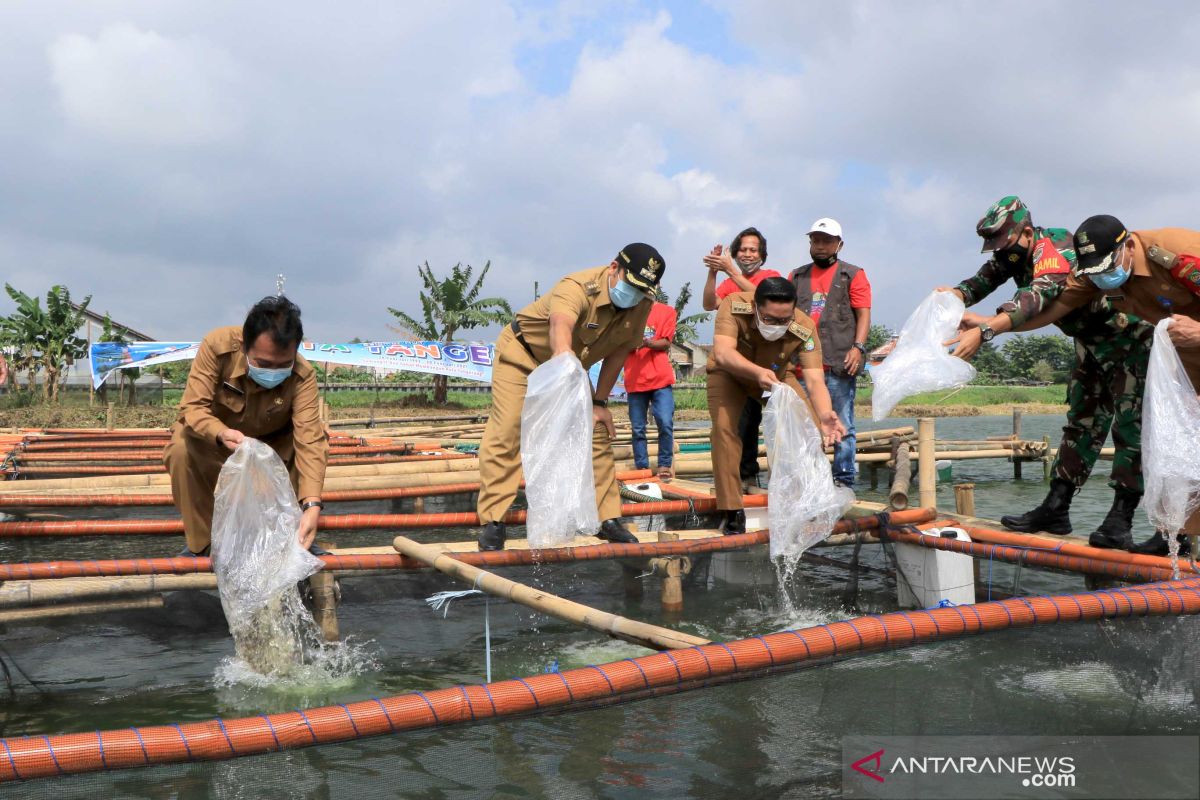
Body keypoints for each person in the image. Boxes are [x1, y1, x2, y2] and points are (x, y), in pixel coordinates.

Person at [939, 197, 1154, 552]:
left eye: (1001, 241)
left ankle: (1121, 518)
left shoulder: (1052, 248)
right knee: (1081, 422)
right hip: (1089, 343)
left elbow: (1035, 298)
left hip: (1129, 338)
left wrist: (986, 329)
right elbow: (981, 282)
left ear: (1025, 232)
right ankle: (1056, 508)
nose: (997, 251)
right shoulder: (1012, 254)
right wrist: (955, 296)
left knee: (1131, 427)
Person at [1009, 215, 1200, 554]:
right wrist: (989, 328)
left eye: (1107, 268)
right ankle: (1176, 536)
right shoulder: (1098, 277)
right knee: (1178, 440)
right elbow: (1057, 304)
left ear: (1128, 246)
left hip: (1177, 349)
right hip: (1185, 364)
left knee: (1145, 432)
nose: (1104, 280)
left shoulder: (1179, 255)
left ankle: (1161, 532)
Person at [477, 244, 666, 551]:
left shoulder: (641, 303)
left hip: (573, 366)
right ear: (614, 267)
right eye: (630, 285)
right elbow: (560, 325)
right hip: (523, 357)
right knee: (509, 429)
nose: (633, 294)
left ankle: (607, 520)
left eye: (641, 289)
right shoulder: (577, 286)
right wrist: (564, 359)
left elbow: (619, 352)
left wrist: (599, 403)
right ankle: (493, 521)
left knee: (597, 431)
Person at [163, 296, 328, 557]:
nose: (273, 372)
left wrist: (312, 505)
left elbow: (310, 440)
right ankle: (206, 544)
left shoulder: (303, 375)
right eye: (263, 364)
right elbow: (193, 408)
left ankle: (292, 538)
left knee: (310, 450)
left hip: (273, 451)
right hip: (219, 441)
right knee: (181, 448)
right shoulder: (217, 347)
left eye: (283, 365)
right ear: (243, 345)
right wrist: (220, 433)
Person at [706, 278, 844, 535]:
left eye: (785, 320)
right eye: (770, 320)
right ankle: (732, 510)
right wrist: (755, 372)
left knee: (809, 430)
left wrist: (825, 414)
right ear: (756, 306)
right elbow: (724, 352)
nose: (779, 326)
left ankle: (803, 502)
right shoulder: (733, 305)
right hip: (730, 374)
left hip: (776, 376)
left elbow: (815, 380)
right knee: (725, 431)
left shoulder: (804, 325)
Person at [789, 217, 872, 489]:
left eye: (826, 241)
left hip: (839, 360)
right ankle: (810, 480)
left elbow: (863, 314)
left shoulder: (853, 274)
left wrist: (858, 347)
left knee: (843, 422)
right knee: (805, 426)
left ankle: (843, 479)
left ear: (839, 244)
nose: (820, 245)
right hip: (803, 362)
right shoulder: (796, 276)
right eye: (816, 240)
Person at [701, 227, 784, 487]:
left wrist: (730, 270)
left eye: (753, 250)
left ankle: (783, 479)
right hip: (741, 362)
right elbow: (708, 303)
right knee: (743, 422)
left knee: (777, 423)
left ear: (762, 253)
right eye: (743, 250)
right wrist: (713, 271)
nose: (747, 254)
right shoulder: (728, 283)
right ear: (735, 252)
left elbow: (763, 299)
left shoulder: (771, 277)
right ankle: (745, 477)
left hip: (769, 360)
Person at [622, 298, 677, 481]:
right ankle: (642, 468)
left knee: (665, 422)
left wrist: (646, 343)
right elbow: (619, 342)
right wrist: (631, 343)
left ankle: (664, 465)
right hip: (635, 380)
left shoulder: (667, 311)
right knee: (638, 428)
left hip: (660, 379)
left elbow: (665, 343)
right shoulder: (625, 311)